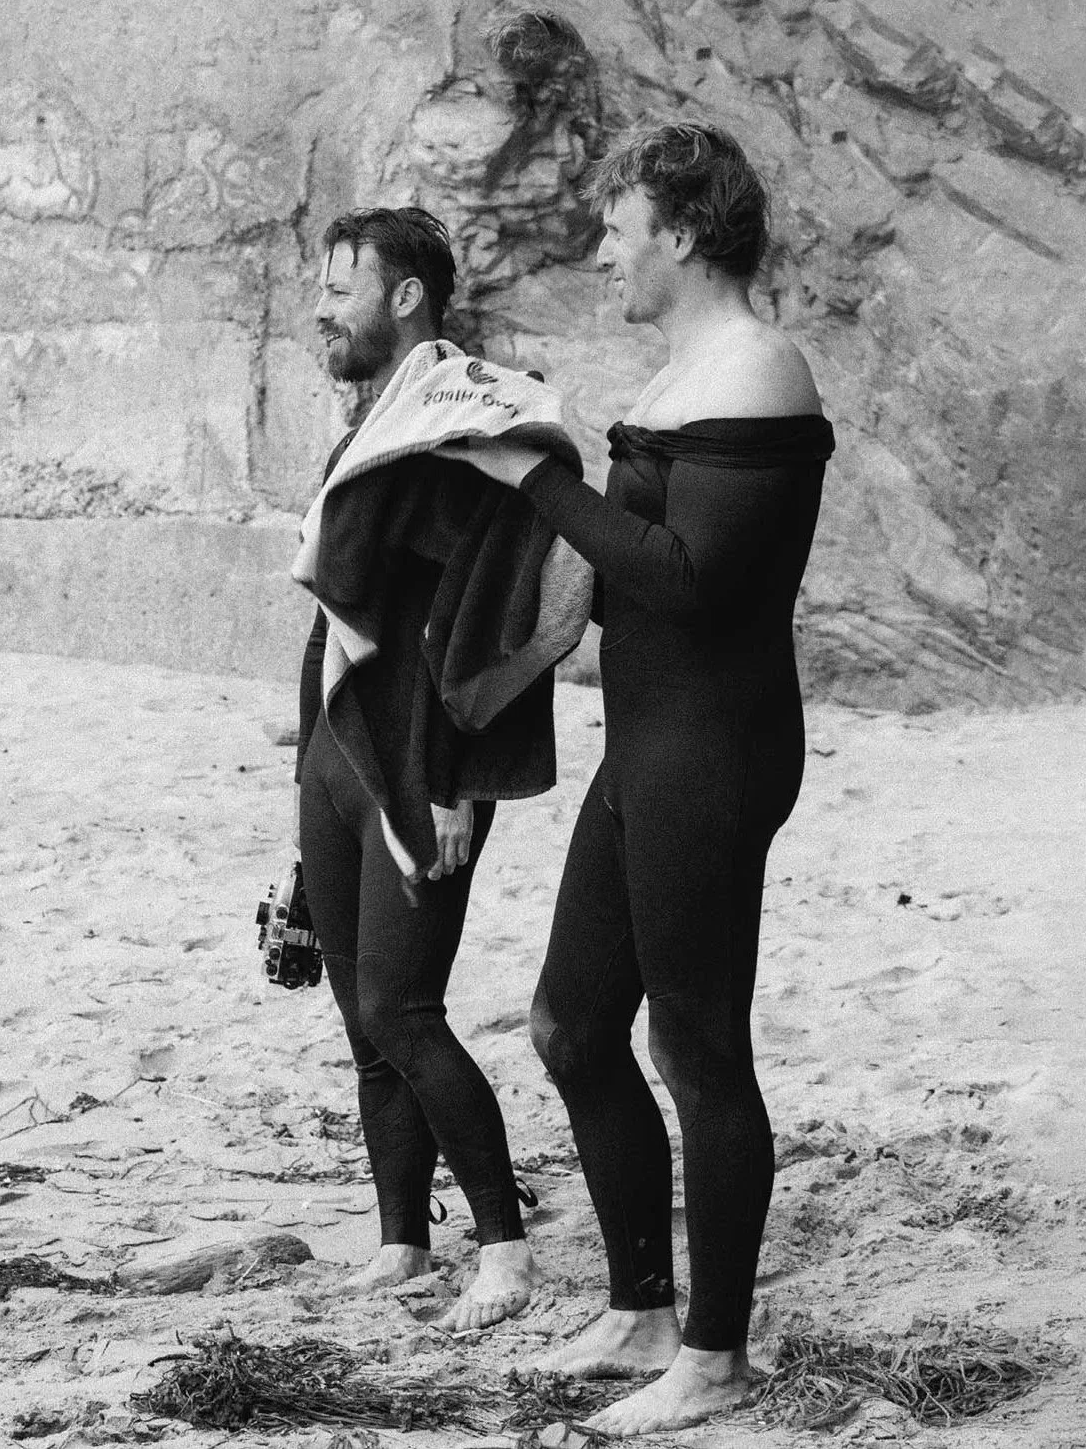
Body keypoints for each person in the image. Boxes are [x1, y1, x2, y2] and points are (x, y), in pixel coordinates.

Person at [443, 122, 833, 1434]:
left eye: (618, 226)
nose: (603, 245)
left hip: (714, 748)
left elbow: (680, 576)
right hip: (648, 740)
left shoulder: (758, 366)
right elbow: (611, 584)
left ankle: (714, 1359)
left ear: (675, 233)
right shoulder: (680, 371)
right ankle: (639, 1309)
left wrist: (537, 473)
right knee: (566, 1024)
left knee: (695, 1049)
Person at [293, 207, 592, 1335]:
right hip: (335, 756)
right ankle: (402, 1240)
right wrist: (298, 820)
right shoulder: (372, 423)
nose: (322, 309)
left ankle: (504, 1251)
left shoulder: (460, 424)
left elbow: (486, 623)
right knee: (358, 1018)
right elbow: (334, 625)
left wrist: (462, 780)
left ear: (406, 296)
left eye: (341, 288)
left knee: (403, 1008)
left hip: (418, 763)